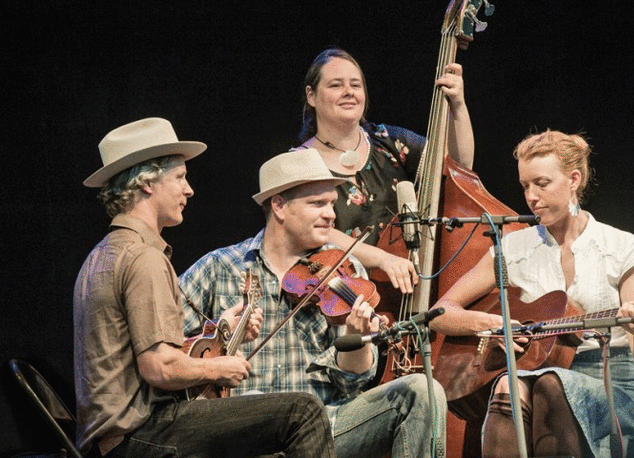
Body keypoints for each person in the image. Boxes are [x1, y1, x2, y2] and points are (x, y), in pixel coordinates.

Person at [74, 118, 335, 458]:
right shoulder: (143, 258)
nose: (189, 190)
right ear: (148, 183)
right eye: (179, 177)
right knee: (303, 412)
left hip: (114, 441)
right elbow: (159, 367)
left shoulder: (101, 255)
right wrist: (217, 368)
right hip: (140, 436)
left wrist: (219, 331)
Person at [179, 148, 448, 458]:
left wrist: (358, 339)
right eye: (317, 204)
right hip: (244, 430)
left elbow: (351, 384)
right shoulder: (220, 267)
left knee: (421, 392)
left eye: (332, 203)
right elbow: (166, 344)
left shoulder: (345, 270)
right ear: (279, 206)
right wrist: (214, 350)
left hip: (322, 427)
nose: (331, 215)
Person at [429, 129, 634, 457]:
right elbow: (441, 314)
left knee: (550, 385)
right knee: (508, 384)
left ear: (573, 179)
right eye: (525, 185)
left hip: (614, 386)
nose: (531, 197)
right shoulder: (513, 247)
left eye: (542, 183)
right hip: (537, 375)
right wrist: (489, 325)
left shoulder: (622, 247)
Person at [296, 47, 476, 293]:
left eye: (356, 85)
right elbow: (318, 232)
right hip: (342, 298)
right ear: (311, 95)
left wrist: (458, 106)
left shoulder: (389, 141)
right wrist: (382, 258)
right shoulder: (299, 163)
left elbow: (459, 168)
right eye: (336, 85)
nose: (349, 92)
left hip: (407, 289)